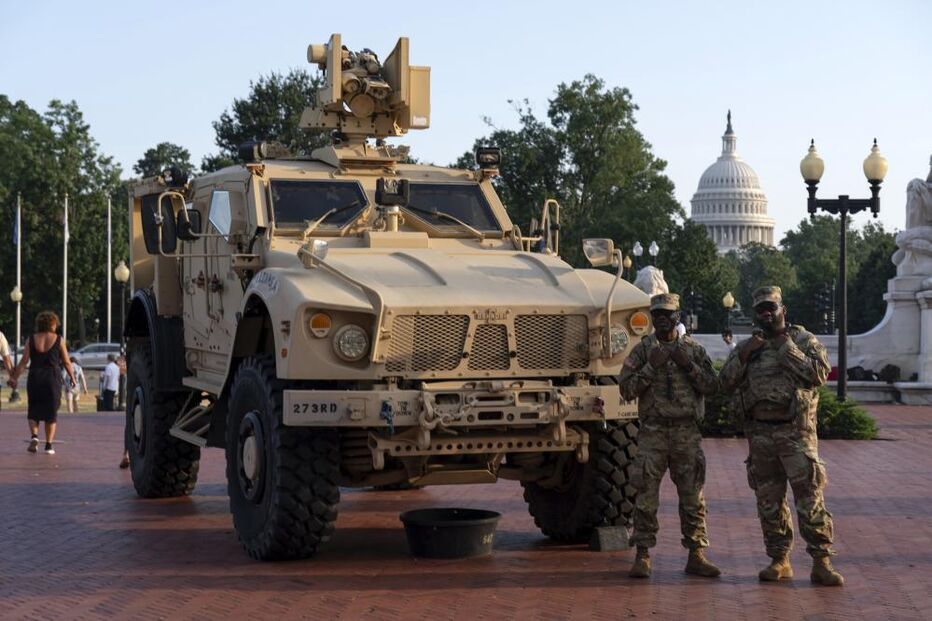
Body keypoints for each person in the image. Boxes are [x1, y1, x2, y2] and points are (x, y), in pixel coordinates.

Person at [720, 286, 844, 587]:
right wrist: (744, 355)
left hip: (796, 434)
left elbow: (818, 375)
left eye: (771, 308)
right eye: (761, 308)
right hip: (761, 434)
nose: (766, 313)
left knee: (810, 499)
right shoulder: (749, 347)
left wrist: (784, 346)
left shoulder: (803, 340)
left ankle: (821, 561)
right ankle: (779, 559)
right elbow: (723, 384)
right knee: (769, 502)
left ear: (782, 310)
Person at [618, 293, 721, 579]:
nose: (662, 319)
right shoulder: (642, 351)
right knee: (646, 495)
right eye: (657, 314)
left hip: (686, 432)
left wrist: (687, 365)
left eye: (668, 314)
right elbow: (625, 389)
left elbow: (713, 386)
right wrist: (652, 366)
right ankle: (642, 554)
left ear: (679, 316)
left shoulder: (694, 349)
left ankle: (696, 553)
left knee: (693, 496)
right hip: (653, 432)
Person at [8, 311, 76, 454]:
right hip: (52, 377)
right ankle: (49, 445)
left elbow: (24, 361)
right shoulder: (59, 339)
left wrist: (14, 377)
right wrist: (73, 377)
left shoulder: (31, 339)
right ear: (52, 324)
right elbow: (66, 362)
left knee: (34, 408)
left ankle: (34, 436)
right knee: (51, 412)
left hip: (35, 376)